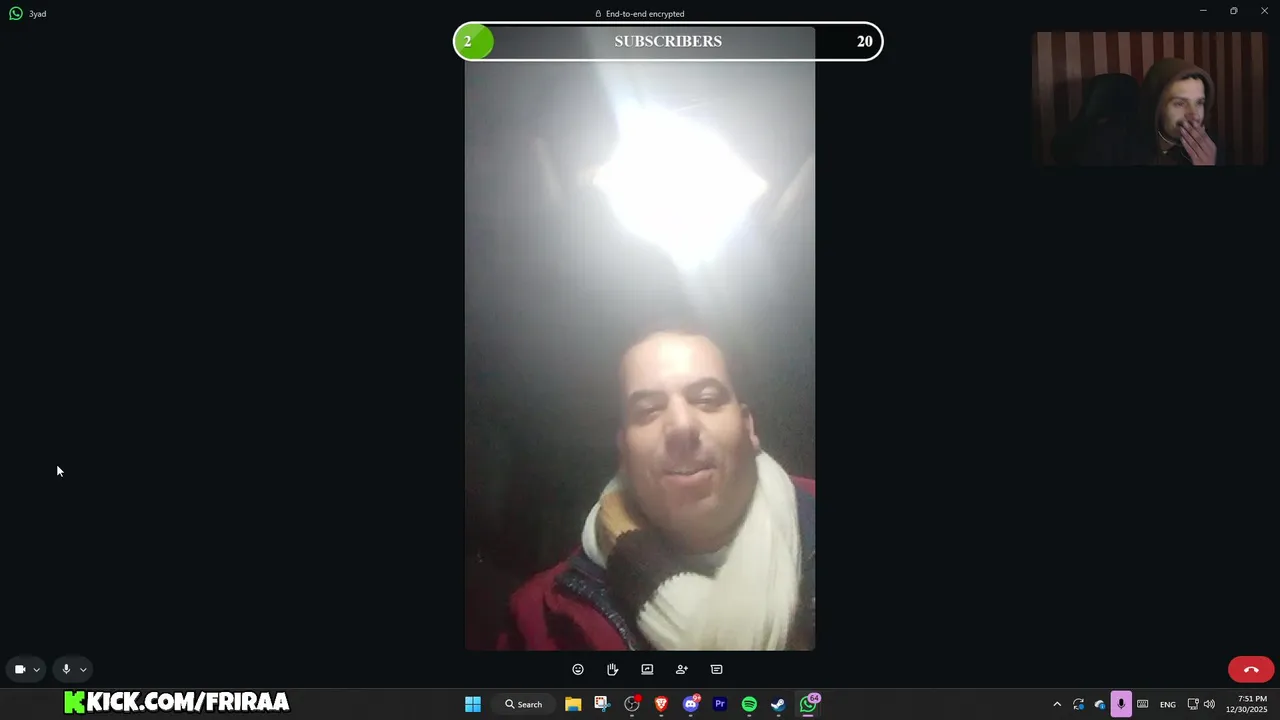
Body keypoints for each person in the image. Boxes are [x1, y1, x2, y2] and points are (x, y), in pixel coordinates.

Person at [497, 329, 815, 650]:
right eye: (648, 410)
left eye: (707, 400)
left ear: (748, 427)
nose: (681, 426)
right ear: (624, 449)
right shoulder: (541, 622)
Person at [1079, 57, 1223, 166]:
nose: (1194, 115)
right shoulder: (1108, 143)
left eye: (1199, 103)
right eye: (1179, 103)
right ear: (1155, 104)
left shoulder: (1211, 148)